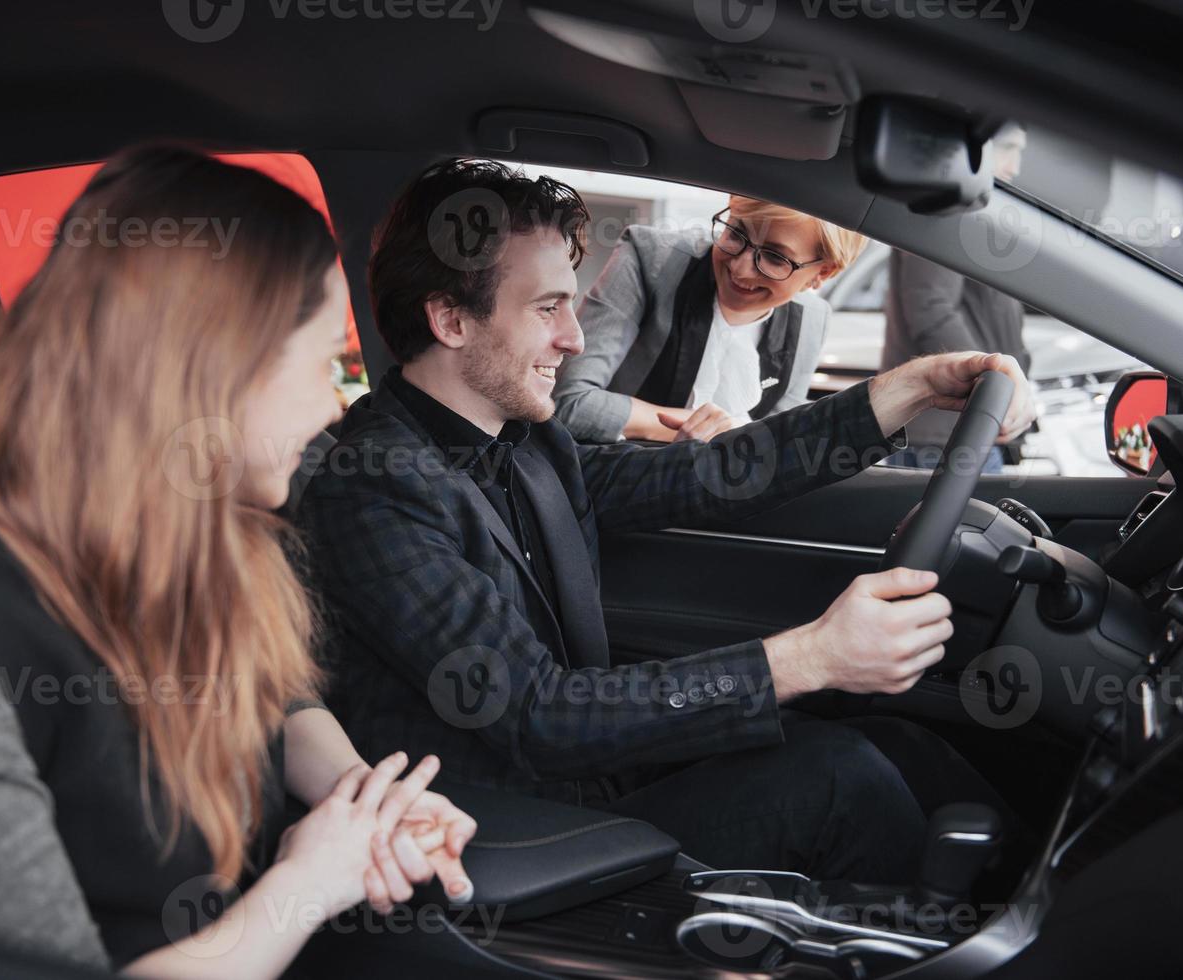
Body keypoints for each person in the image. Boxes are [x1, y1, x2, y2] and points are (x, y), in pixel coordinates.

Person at [0, 147, 476, 978]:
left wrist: (361, 802)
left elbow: (272, 699)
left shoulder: (199, 534)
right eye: (322, 366)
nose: (334, 403)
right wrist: (310, 881)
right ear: (213, 368)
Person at [299, 159, 1035, 885]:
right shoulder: (374, 489)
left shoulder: (524, 445)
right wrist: (810, 658)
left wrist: (906, 390)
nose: (574, 339)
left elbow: (708, 474)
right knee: (843, 780)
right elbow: (536, 714)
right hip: (513, 829)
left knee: (892, 741)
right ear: (450, 319)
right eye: (546, 308)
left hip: (591, 774)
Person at [553, 196, 867, 444]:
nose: (741, 270)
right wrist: (713, 431)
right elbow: (569, 403)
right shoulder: (650, 258)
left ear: (823, 273)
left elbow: (779, 439)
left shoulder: (812, 320)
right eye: (736, 234)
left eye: (775, 258)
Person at [882, 123, 1032, 472]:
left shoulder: (970, 215)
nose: (1016, 165)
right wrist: (994, 379)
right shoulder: (943, 211)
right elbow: (931, 309)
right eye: (1008, 147)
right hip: (944, 434)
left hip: (960, 428)